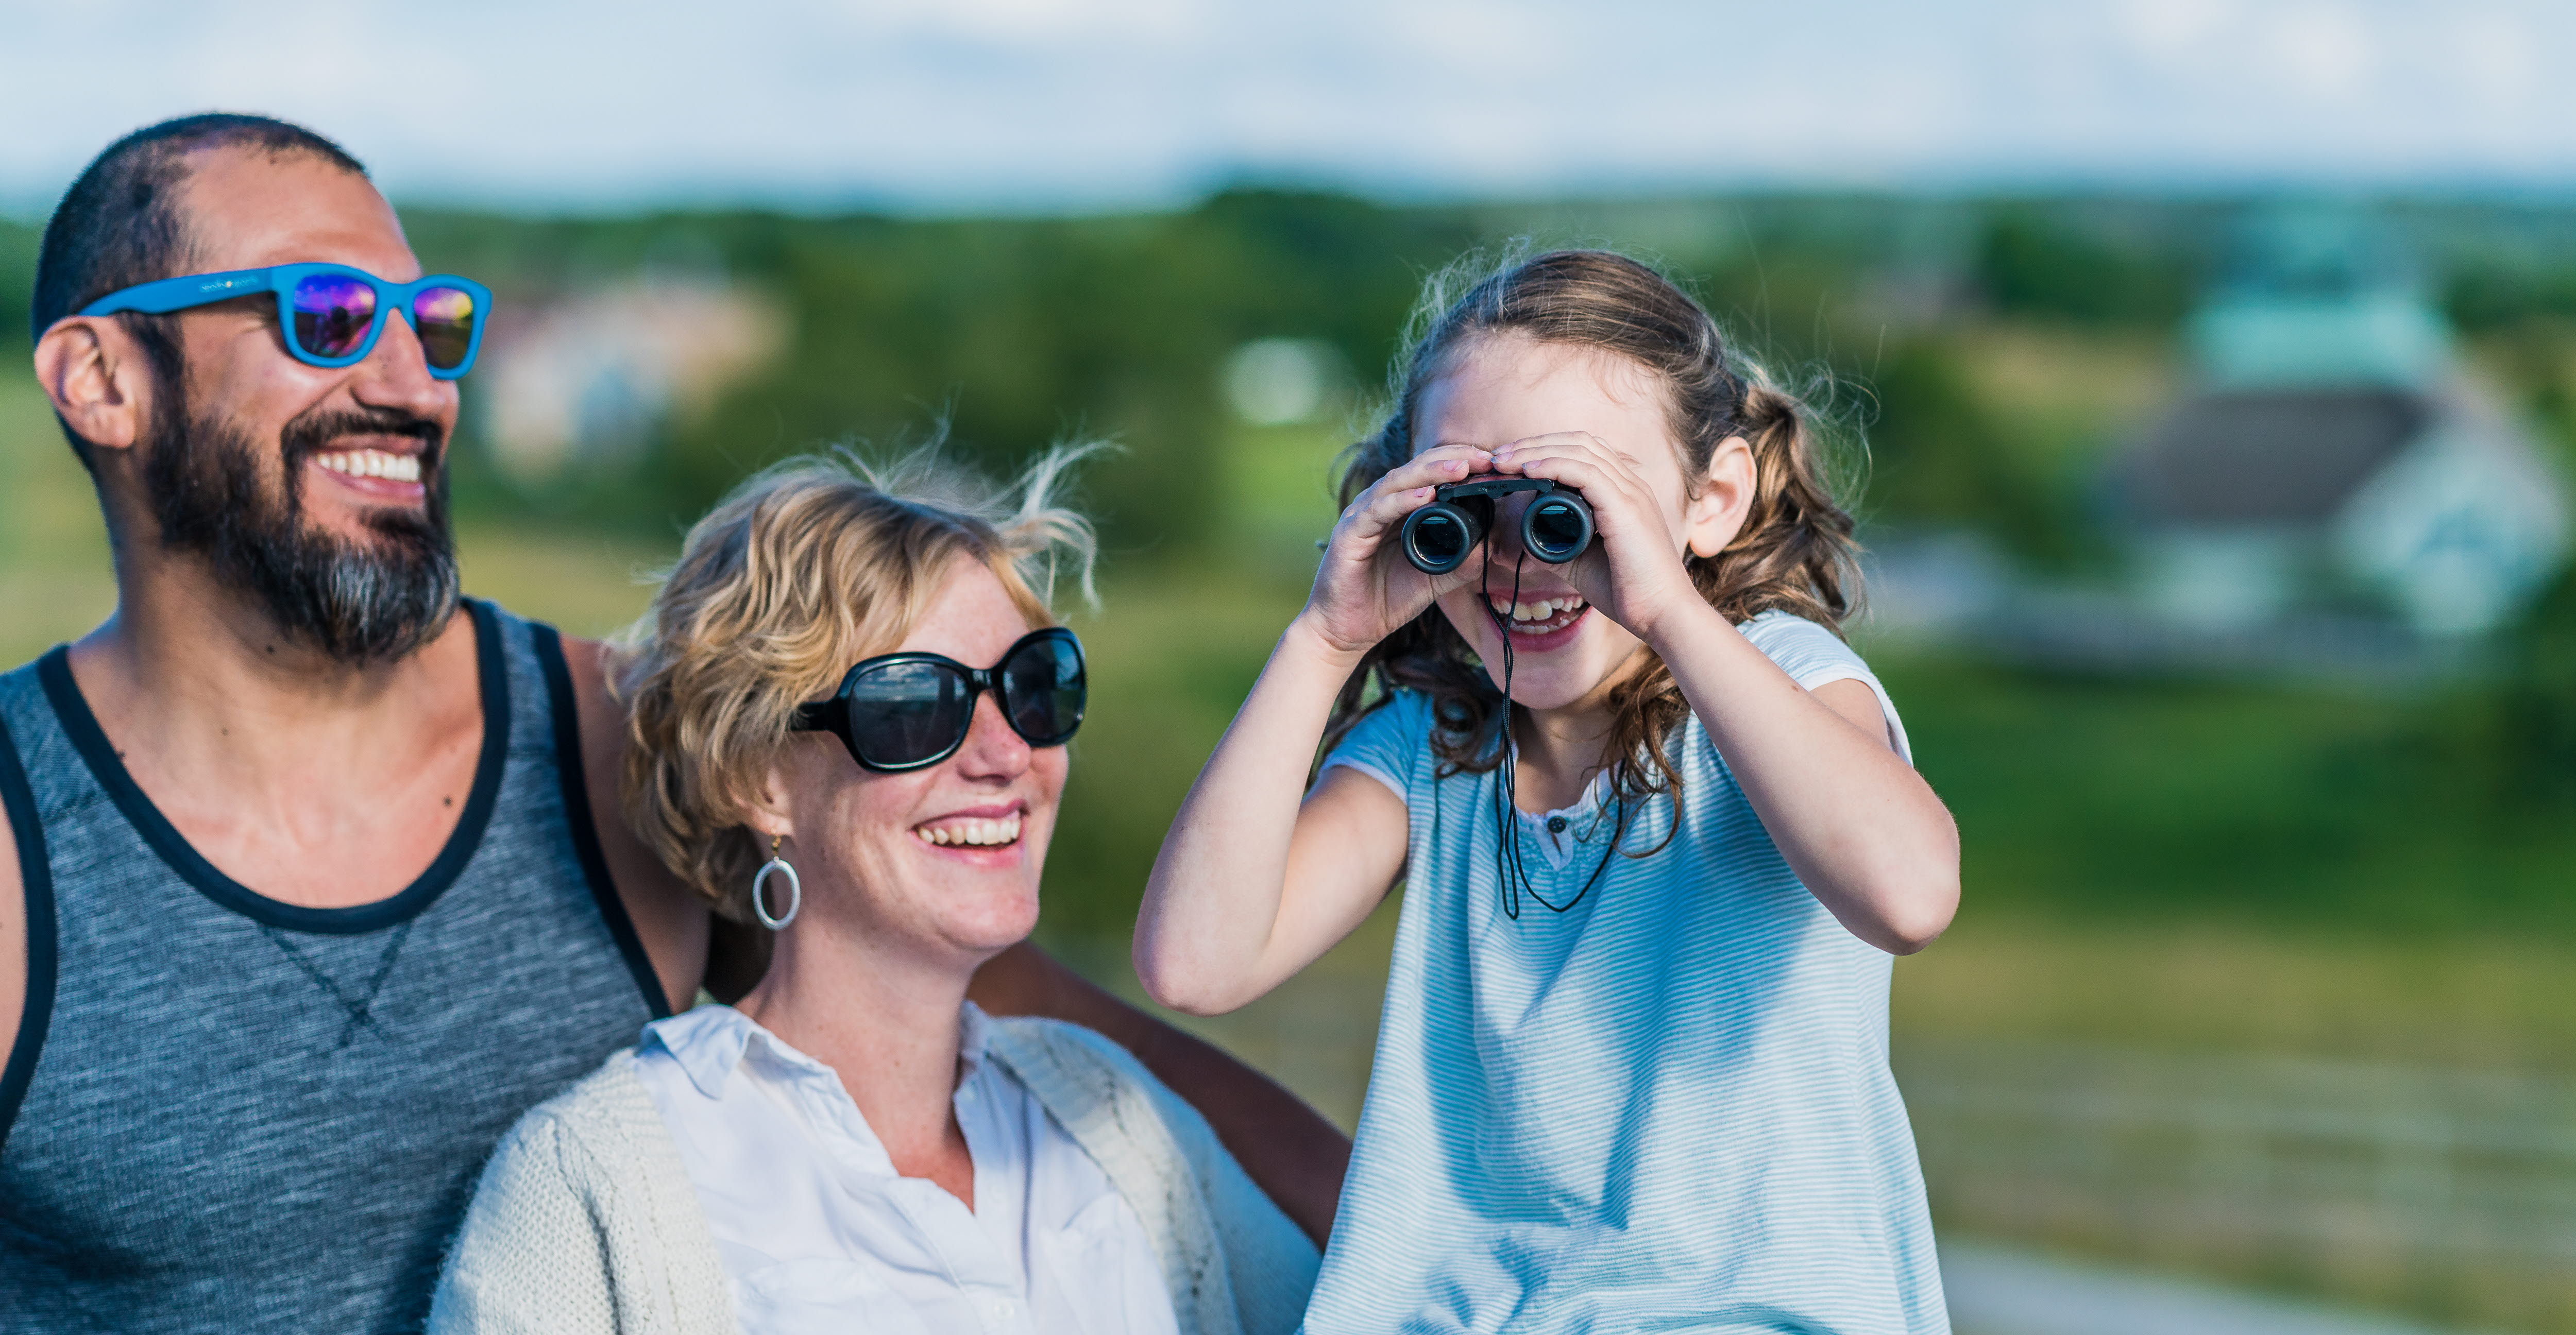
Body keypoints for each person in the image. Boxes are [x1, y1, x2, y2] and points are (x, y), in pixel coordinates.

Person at [0, 113, 1344, 1333]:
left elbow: (1040, 1038)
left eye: (435, 324)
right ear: (101, 379)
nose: (416, 385)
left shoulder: (606, 736)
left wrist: (1426, 1255)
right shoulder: (19, 845)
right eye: (329, 315)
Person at [1135, 250, 1962, 1331]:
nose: (1527, 560)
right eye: (1473, 510)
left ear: (1709, 501)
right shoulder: (1430, 752)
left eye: (1572, 507)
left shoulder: (1782, 688)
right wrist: (1322, 637)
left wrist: (1665, 606)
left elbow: (1906, 896)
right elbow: (1196, 964)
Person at [432, 451, 1319, 1333]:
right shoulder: (597, 1180)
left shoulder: (1111, 1111)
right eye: (913, 707)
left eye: (1033, 689)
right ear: (758, 777)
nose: (1006, 753)